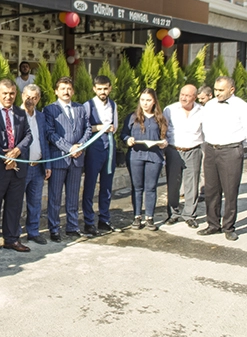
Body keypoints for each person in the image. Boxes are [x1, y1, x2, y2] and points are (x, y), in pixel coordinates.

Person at [198, 76, 247, 241]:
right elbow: (204, 126)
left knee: (230, 190)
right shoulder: (209, 105)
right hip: (211, 149)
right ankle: (213, 224)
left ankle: (229, 227)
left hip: (230, 150)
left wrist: (236, 148)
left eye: (221, 90)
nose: (217, 93)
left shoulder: (242, 107)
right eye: (216, 90)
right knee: (211, 190)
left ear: (232, 89)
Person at [0, 79, 32, 258]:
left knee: (14, 206)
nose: (8, 97)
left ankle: (11, 239)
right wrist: (5, 156)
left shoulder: (20, 113)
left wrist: (17, 151)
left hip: (17, 168)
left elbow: (28, 135)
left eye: (12, 93)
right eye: (5, 93)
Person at [44, 77, 91, 241]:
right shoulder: (50, 109)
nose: (66, 91)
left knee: (73, 196)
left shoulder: (80, 108)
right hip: (59, 159)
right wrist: (69, 148)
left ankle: (72, 226)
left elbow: (88, 129)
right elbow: (50, 133)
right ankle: (54, 229)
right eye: (63, 88)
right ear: (56, 91)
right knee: (55, 197)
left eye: (69, 88)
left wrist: (80, 146)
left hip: (77, 160)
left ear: (73, 91)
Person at [122, 88, 168, 231]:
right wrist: (128, 139)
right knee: (137, 187)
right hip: (136, 155)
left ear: (154, 101)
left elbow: (165, 136)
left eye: (148, 100)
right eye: (142, 100)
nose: (145, 103)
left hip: (154, 156)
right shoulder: (132, 117)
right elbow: (124, 133)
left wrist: (164, 142)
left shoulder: (159, 118)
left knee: (151, 187)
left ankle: (149, 217)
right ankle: (137, 216)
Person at [81, 75, 119, 236]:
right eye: (100, 89)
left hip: (109, 147)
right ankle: (89, 222)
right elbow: (85, 128)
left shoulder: (113, 105)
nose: (103, 92)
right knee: (90, 185)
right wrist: (101, 127)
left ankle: (104, 219)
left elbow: (115, 126)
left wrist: (110, 129)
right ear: (94, 89)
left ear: (110, 88)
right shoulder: (88, 105)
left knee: (107, 185)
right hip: (93, 148)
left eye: (105, 88)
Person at [164, 84, 204, 228]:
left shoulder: (202, 111)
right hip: (174, 150)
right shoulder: (170, 109)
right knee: (173, 184)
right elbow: (163, 129)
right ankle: (173, 213)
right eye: (182, 94)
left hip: (193, 150)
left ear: (195, 97)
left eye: (188, 96)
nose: (184, 98)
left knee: (192, 185)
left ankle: (189, 215)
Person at [20, 84, 51, 245]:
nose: (30, 100)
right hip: (21, 167)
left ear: (38, 99)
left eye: (34, 98)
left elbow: (44, 141)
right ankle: (15, 233)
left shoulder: (41, 116)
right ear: (22, 96)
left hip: (38, 166)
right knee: (17, 202)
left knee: (35, 202)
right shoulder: (16, 115)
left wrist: (47, 164)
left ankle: (33, 232)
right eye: (28, 97)